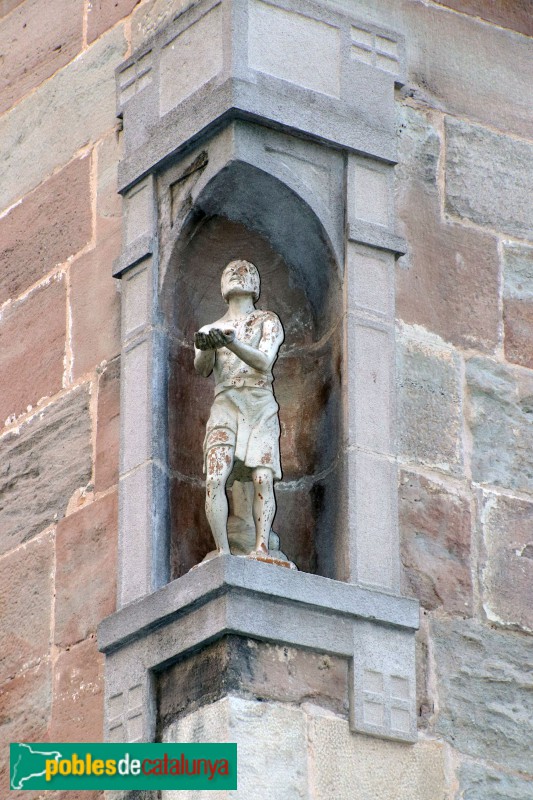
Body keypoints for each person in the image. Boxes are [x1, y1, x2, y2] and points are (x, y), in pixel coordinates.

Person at [194, 259, 284, 559]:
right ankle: (222, 551)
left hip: (258, 403)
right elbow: (202, 368)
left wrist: (231, 344)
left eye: (246, 270)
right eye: (230, 270)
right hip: (225, 403)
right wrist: (208, 346)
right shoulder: (210, 328)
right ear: (222, 286)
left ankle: (261, 547)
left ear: (255, 285)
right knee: (216, 478)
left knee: (262, 477)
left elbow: (263, 361)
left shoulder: (267, 321)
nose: (237, 272)